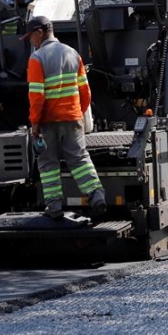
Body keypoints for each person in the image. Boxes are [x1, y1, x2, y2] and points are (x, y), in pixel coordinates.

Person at [22, 16, 106, 219]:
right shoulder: (73, 54)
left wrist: (35, 124)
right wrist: (78, 112)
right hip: (72, 117)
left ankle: (54, 208)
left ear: (40, 32)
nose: (31, 41)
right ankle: (96, 196)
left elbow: (37, 97)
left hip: (48, 121)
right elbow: (85, 92)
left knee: (48, 163)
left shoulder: (37, 58)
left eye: (31, 36)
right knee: (79, 158)